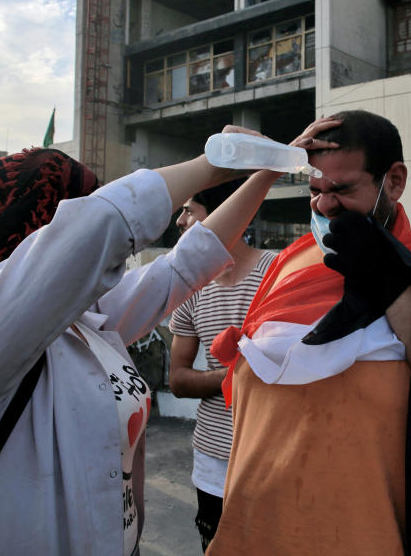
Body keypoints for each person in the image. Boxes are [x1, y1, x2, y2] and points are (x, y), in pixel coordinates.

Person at [0, 127, 330, 556]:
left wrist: (268, 169)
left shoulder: (80, 321)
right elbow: (98, 227)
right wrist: (213, 162)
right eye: (72, 208)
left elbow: (188, 263)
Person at [207, 111, 411, 555]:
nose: (324, 206)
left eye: (342, 190)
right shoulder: (287, 263)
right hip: (258, 528)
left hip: (372, 533)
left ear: (393, 181)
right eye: (315, 191)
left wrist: (390, 280)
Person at [168, 179, 277, 550]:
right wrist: (236, 376)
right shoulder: (189, 288)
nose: (180, 222)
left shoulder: (278, 273)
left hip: (276, 457)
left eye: (189, 210)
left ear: (222, 216)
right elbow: (179, 380)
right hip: (213, 463)